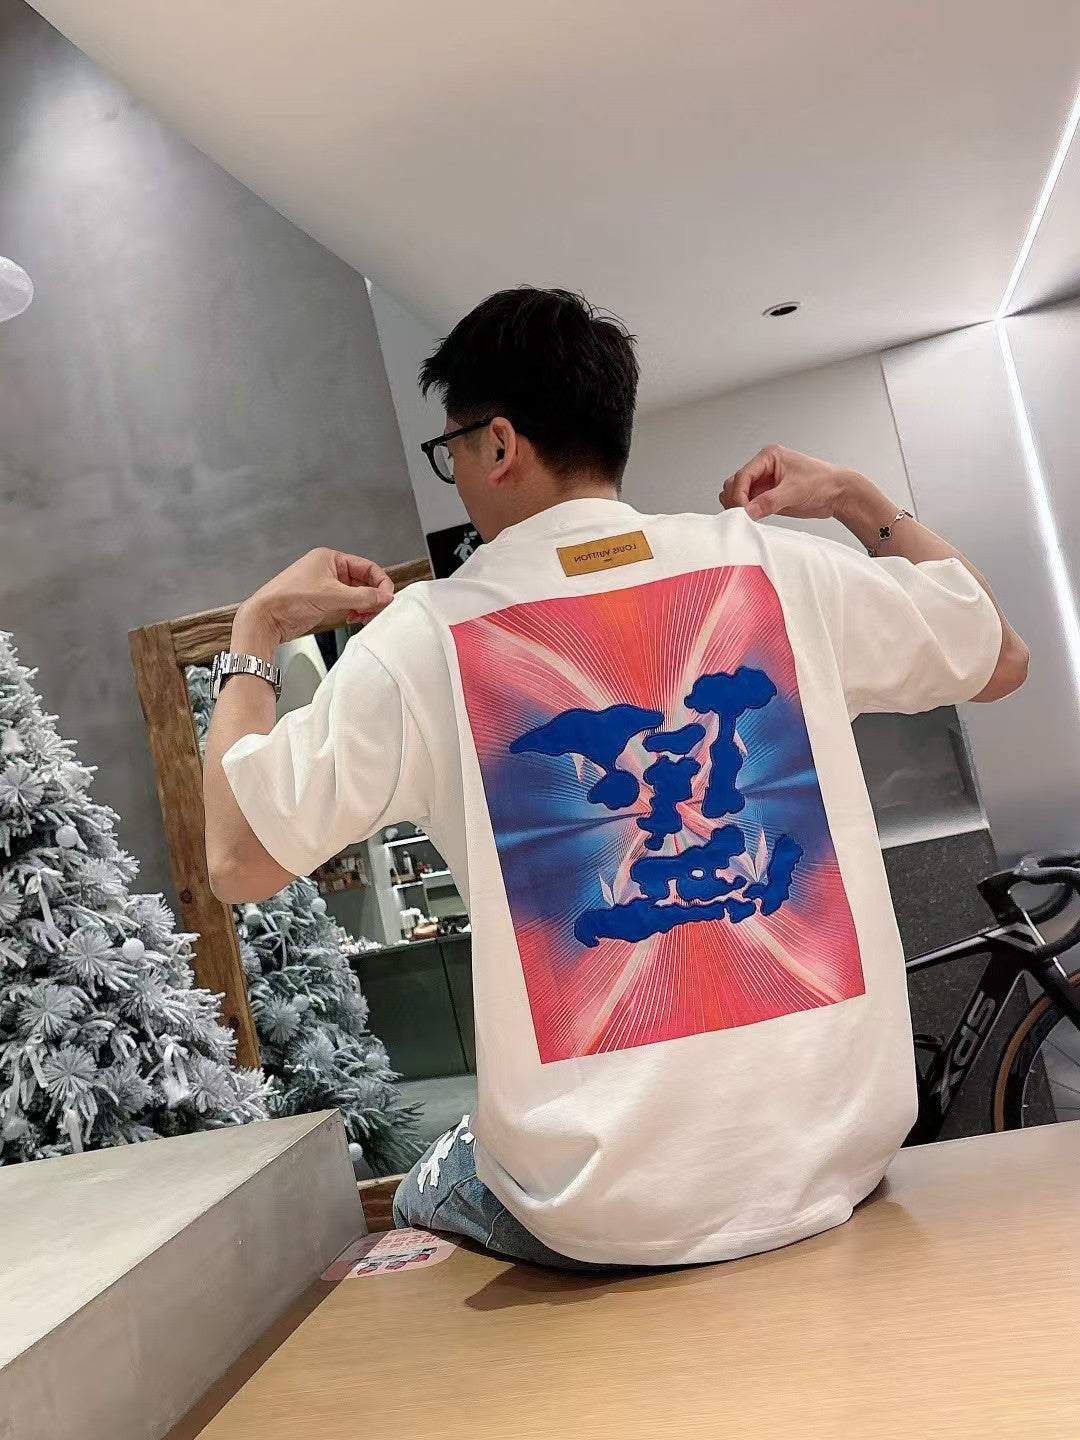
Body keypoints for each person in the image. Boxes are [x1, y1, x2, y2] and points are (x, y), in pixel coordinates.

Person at [203, 287, 1027, 1271]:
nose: (455, 475)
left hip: (600, 1214)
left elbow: (239, 859)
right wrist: (855, 498)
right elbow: (1001, 658)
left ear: (498, 444)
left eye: (451, 448)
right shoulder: (775, 567)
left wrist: (255, 629)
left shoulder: (425, 638)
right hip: (838, 1164)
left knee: (427, 1185)